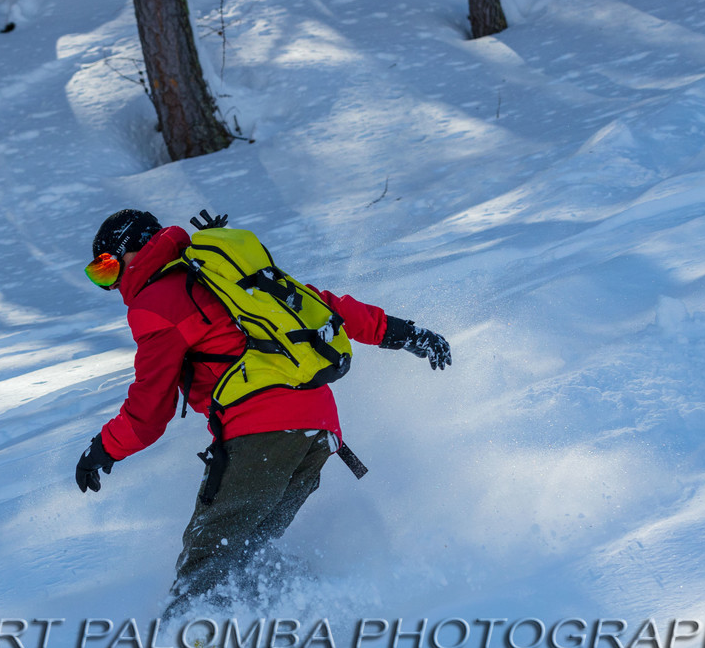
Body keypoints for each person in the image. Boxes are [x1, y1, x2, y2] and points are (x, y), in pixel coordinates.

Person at [73, 209, 451, 616]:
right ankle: (297, 612)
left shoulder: (156, 301)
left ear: (136, 249)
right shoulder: (223, 270)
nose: (110, 284)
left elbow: (151, 407)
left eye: (108, 266)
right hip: (319, 431)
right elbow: (322, 307)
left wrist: (104, 449)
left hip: (262, 435)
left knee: (206, 560)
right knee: (244, 553)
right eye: (99, 274)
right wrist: (405, 333)